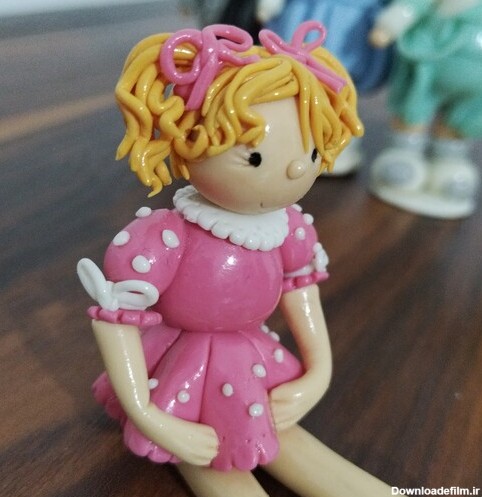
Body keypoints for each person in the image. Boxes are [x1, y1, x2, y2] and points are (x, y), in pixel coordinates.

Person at [77, 22, 390, 496]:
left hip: (252, 361)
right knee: (218, 462)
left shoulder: (289, 228)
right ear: (187, 143)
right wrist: (147, 413)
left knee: (293, 447)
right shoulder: (164, 237)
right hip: (183, 367)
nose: (296, 170)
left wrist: (318, 375)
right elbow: (115, 321)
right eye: (256, 158)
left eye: (310, 153)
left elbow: (301, 294)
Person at [369, 0, 482, 218]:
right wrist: (391, 24)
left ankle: (449, 163)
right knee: (412, 111)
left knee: (457, 126)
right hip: (430, 60)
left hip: (474, 92)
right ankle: (403, 154)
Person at [258, 0, 392, 174]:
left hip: (353, 21)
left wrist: (391, 21)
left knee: (344, 78)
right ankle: (288, 136)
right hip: (304, 13)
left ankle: (336, 141)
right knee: (293, 69)